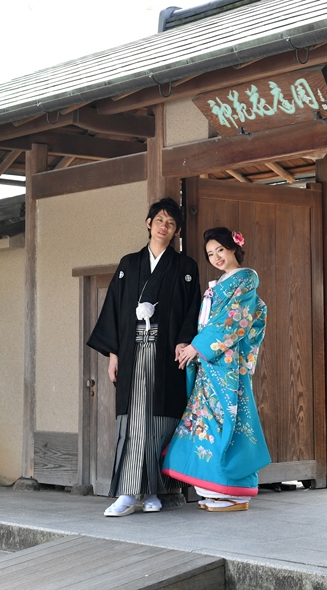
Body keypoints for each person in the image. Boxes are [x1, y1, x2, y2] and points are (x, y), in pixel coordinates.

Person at [86, 197, 201, 517]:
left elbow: (192, 311)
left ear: (176, 231)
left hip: (167, 355)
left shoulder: (185, 267)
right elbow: (115, 311)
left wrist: (184, 343)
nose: (164, 227)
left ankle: (154, 491)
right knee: (133, 419)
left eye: (171, 223)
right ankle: (126, 493)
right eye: (160, 220)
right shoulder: (128, 264)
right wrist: (113, 354)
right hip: (132, 352)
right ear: (149, 223)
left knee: (161, 422)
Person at [162, 227, 270, 512]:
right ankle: (214, 490)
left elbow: (234, 321)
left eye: (220, 250)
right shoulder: (220, 282)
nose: (216, 257)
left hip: (227, 366)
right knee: (205, 424)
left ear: (233, 247)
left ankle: (235, 492)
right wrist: (195, 347)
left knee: (228, 424)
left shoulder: (246, 278)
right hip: (211, 365)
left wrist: (197, 347)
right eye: (210, 254)